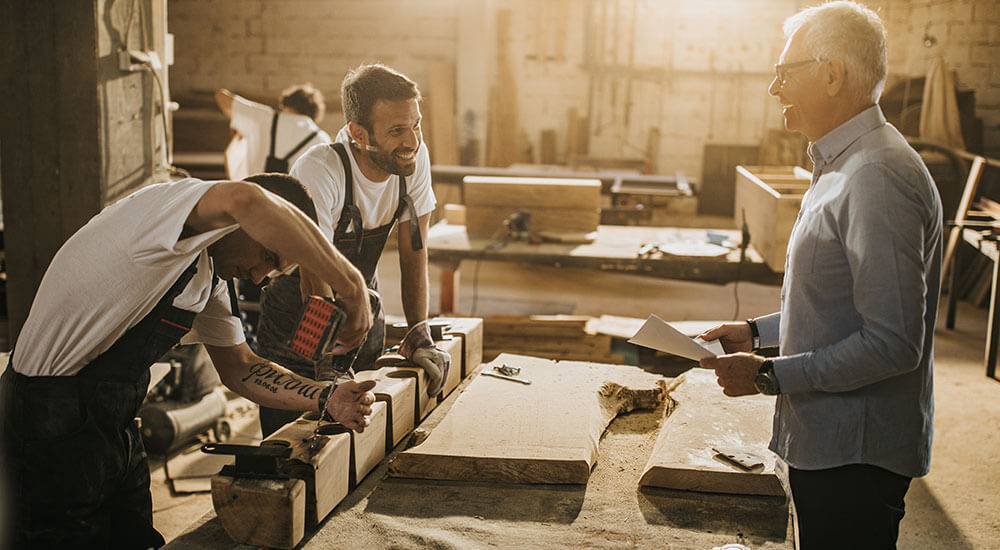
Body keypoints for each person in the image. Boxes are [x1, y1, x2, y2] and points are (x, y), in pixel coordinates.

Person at [0, 173, 377, 549]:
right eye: (266, 256)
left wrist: (328, 397)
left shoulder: (209, 275)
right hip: (47, 428)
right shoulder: (166, 215)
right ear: (244, 223)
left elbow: (241, 367)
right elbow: (246, 199)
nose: (261, 278)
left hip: (114, 426)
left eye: (275, 269)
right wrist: (349, 283)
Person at [697, 2, 942, 548]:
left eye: (785, 72)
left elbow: (893, 344)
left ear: (832, 74)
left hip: (855, 456)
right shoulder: (843, 164)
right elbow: (841, 304)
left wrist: (768, 375)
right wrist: (760, 333)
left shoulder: (875, 175)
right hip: (831, 443)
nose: (773, 88)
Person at [254, 64, 449, 437]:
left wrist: (418, 329)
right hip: (301, 323)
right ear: (359, 134)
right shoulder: (319, 170)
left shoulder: (412, 159)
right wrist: (327, 361)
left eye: (417, 125)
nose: (412, 140)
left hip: (360, 320)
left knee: (361, 446)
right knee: (293, 449)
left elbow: (414, 250)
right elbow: (314, 276)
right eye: (397, 130)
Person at [215, 83, 332, 178]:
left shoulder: (265, 117)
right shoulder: (322, 138)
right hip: (295, 205)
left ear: (286, 104)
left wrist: (238, 126)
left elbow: (221, 96)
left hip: (254, 199)